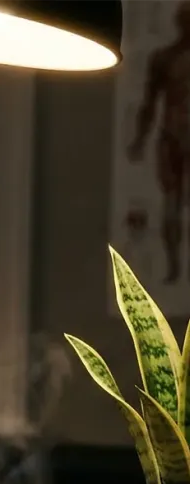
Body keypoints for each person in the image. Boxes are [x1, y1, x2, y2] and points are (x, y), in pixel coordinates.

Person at [129, 0, 190, 282]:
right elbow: (149, 103)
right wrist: (139, 140)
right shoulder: (163, 59)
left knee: (174, 202)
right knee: (172, 202)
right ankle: (174, 266)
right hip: (171, 136)